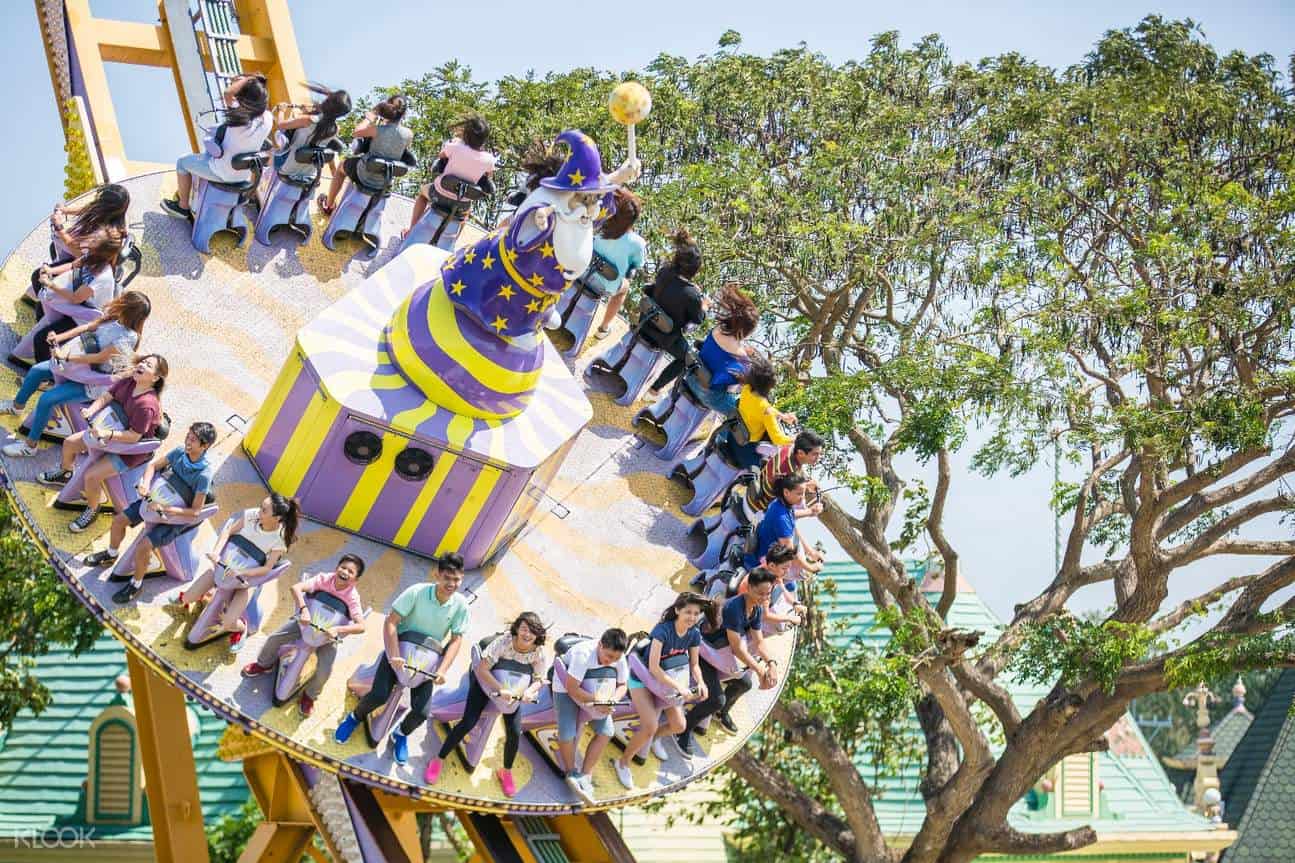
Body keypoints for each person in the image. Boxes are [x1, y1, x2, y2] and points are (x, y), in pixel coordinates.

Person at [334, 554, 469, 766]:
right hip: (400, 650)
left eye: (457, 580)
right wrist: (394, 654)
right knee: (379, 694)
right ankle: (355, 717)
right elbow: (391, 622)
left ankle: (401, 733)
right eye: (447, 578)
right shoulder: (416, 591)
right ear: (437, 575)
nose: (451, 584)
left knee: (422, 712)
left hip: (427, 660)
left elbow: (456, 639)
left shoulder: (461, 605)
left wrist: (442, 670)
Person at [3, 291, 151, 455]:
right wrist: (59, 337)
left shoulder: (129, 337)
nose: (119, 298)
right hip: (76, 367)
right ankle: (17, 407)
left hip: (91, 380)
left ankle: (30, 446)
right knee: (36, 371)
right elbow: (86, 327)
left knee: (47, 399)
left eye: (123, 299)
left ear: (127, 307)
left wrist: (65, 357)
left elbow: (99, 357)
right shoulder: (114, 318)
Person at [37, 354, 167, 534]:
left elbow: (134, 436)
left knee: (92, 476)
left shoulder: (147, 406)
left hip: (129, 450)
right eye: (143, 361)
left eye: (148, 365)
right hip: (108, 431)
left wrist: (107, 434)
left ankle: (92, 509)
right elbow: (107, 396)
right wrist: (91, 410)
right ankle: (65, 472)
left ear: (155, 378)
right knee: (69, 444)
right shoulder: (129, 381)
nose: (142, 365)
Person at [84, 421, 216, 593]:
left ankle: (136, 584)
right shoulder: (179, 452)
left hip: (172, 518)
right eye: (188, 436)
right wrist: (145, 483)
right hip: (152, 501)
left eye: (193, 440)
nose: (187, 442)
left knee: (143, 547)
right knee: (118, 521)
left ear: (205, 446)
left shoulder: (204, 475)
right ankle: (111, 553)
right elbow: (153, 466)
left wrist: (165, 509)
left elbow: (195, 511)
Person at [424, 611, 547, 796]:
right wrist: (499, 688)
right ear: (516, 628)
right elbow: (482, 669)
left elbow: (538, 678)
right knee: (468, 722)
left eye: (532, 631)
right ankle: (438, 758)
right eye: (524, 629)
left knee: (514, 733)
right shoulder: (504, 643)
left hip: (513, 691)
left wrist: (529, 691)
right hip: (486, 682)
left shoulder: (538, 652)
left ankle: (505, 771)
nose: (527, 634)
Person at [241, 554, 368, 717]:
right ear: (337, 568)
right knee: (274, 638)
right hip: (306, 623)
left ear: (355, 580)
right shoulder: (323, 578)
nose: (345, 572)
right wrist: (303, 609)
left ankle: (310, 695)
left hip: (328, 636)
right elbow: (296, 588)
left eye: (351, 572)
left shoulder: (353, 597)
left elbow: (361, 626)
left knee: (325, 669)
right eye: (343, 567)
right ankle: (264, 664)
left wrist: (338, 630)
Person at [613, 593, 711, 789]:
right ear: (677, 610)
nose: (692, 617)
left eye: (696, 613)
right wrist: (679, 687)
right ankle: (622, 763)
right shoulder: (663, 630)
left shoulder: (694, 634)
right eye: (688, 612)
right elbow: (654, 668)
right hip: (642, 679)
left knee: (679, 725)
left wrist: (701, 682)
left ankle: (655, 739)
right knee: (650, 725)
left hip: (666, 684)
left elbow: (694, 664)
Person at [679, 568, 780, 749]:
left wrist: (771, 664)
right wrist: (760, 671)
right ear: (750, 588)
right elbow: (737, 648)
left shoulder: (756, 609)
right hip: (702, 651)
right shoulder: (734, 608)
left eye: (768, 594)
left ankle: (719, 713)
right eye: (761, 593)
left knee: (744, 684)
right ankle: (684, 728)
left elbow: (759, 642)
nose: (765, 598)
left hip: (719, 655)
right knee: (716, 699)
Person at [165, 493, 298, 628]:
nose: (258, 512)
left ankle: (241, 629)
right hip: (224, 567)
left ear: (277, 518)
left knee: (228, 622)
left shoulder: (279, 540)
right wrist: (216, 553)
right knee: (187, 597)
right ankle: (198, 596)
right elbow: (228, 531)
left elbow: (267, 568)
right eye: (260, 507)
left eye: (264, 510)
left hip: (245, 582)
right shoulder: (252, 515)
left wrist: (241, 573)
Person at [162, 74, 273, 219]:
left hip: (222, 173)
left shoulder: (240, 118)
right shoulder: (268, 119)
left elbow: (228, 93)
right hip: (243, 176)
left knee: (182, 162)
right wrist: (253, 84)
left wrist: (249, 79)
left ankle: (182, 207)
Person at [21, 233, 125, 365]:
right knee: (41, 304)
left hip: (85, 318)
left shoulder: (103, 277)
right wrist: (51, 270)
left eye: (95, 242)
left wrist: (50, 284)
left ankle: (47, 372)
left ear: (102, 251)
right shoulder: (91, 256)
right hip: (76, 306)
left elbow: (76, 298)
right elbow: (72, 265)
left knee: (42, 339)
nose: (90, 242)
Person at [555, 627, 629, 804]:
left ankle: (586, 774)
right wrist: (598, 700)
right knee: (567, 733)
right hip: (567, 686)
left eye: (616, 658)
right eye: (608, 657)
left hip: (596, 685)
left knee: (607, 732)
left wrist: (612, 700)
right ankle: (571, 771)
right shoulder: (583, 655)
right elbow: (572, 688)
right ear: (600, 645)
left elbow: (622, 685)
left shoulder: (618, 657)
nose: (611, 661)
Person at [405, 115, 498, 238]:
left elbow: (441, 156)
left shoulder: (455, 146)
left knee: (422, 194)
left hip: (439, 194)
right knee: (465, 214)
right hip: (462, 203)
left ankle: (411, 230)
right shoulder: (489, 160)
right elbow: (488, 176)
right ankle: (453, 240)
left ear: (466, 133)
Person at [318, 94, 413, 214]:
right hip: (384, 180)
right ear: (403, 114)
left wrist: (369, 118)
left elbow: (356, 133)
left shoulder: (377, 129)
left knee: (342, 166)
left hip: (365, 174)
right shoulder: (409, 134)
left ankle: (329, 204)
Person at [32, 183, 130, 298]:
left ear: (105, 205)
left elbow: (79, 252)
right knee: (54, 247)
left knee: (37, 277)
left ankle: (46, 301)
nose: (97, 202)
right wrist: (65, 210)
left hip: (88, 267)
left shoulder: (104, 233)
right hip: (88, 259)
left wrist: (60, 228)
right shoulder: (116, 215)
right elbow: (89, 209)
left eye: (100, 201)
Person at [642, 230, 706, 400]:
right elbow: (698, 318)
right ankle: (654, 389)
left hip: (644, 322)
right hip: (664, 337)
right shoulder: (692, 295)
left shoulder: (664, 272)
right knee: (687, 359)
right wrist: (704, 305)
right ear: (694, 271)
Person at [688, 284, 758, 413]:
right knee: (742, 413)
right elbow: (732, 387)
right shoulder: (742, 358)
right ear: (746, 331)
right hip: (708, 395)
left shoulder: (718, 330)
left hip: (691, 376)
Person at [588, 188, 647, 339]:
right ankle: (603, 328)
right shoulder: (637, 243)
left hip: (583, 271)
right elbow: (638, 264)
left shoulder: (601, 223)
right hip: (606, 284)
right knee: (624, 287)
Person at [743, 473, 824, 576]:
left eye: (803, 493)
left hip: (769, 555)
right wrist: (812, 568)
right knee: (800, 573)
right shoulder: (781, 518)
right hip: (763, 565)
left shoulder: (780, 504)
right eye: (799, 494)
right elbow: (790, 553)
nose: (802, 497)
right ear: (786, 492)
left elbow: (792, 524)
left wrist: (810, 552)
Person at [726, 353, 796, 469]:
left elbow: (763, 407)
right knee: (771, 467)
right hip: (745, 450)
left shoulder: (747, 389)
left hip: (733, 436)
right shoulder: (766, 410)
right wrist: (796, 438)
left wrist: (782, 416)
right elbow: (778, 439)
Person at [270, 84, 352, 182]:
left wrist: (281, 111)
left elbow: (280, 125)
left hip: (286, 168)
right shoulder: (335, 129)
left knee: (280, 135)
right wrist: (306, 112)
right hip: (309, 173)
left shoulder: (309, 120)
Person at [745, 430, 824, 514]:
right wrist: (811, 511)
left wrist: (807, 481)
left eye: (820, 454)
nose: (819, 458)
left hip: (753, 491)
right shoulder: (788, 473)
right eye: (815, 454)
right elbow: (787, 512)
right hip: (757, 509)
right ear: (800, 453)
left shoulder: (789, 448)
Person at [737, 543, 806, 629]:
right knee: (780, 627)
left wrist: (795, 604)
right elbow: (766, 615)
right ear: (772, 565)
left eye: (789, 567)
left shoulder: (773, 570)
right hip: (743, 615)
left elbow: (783, 590)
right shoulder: (764, 580)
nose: (787, 571)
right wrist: (790, 618)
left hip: (753, 604)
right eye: (784, 568)